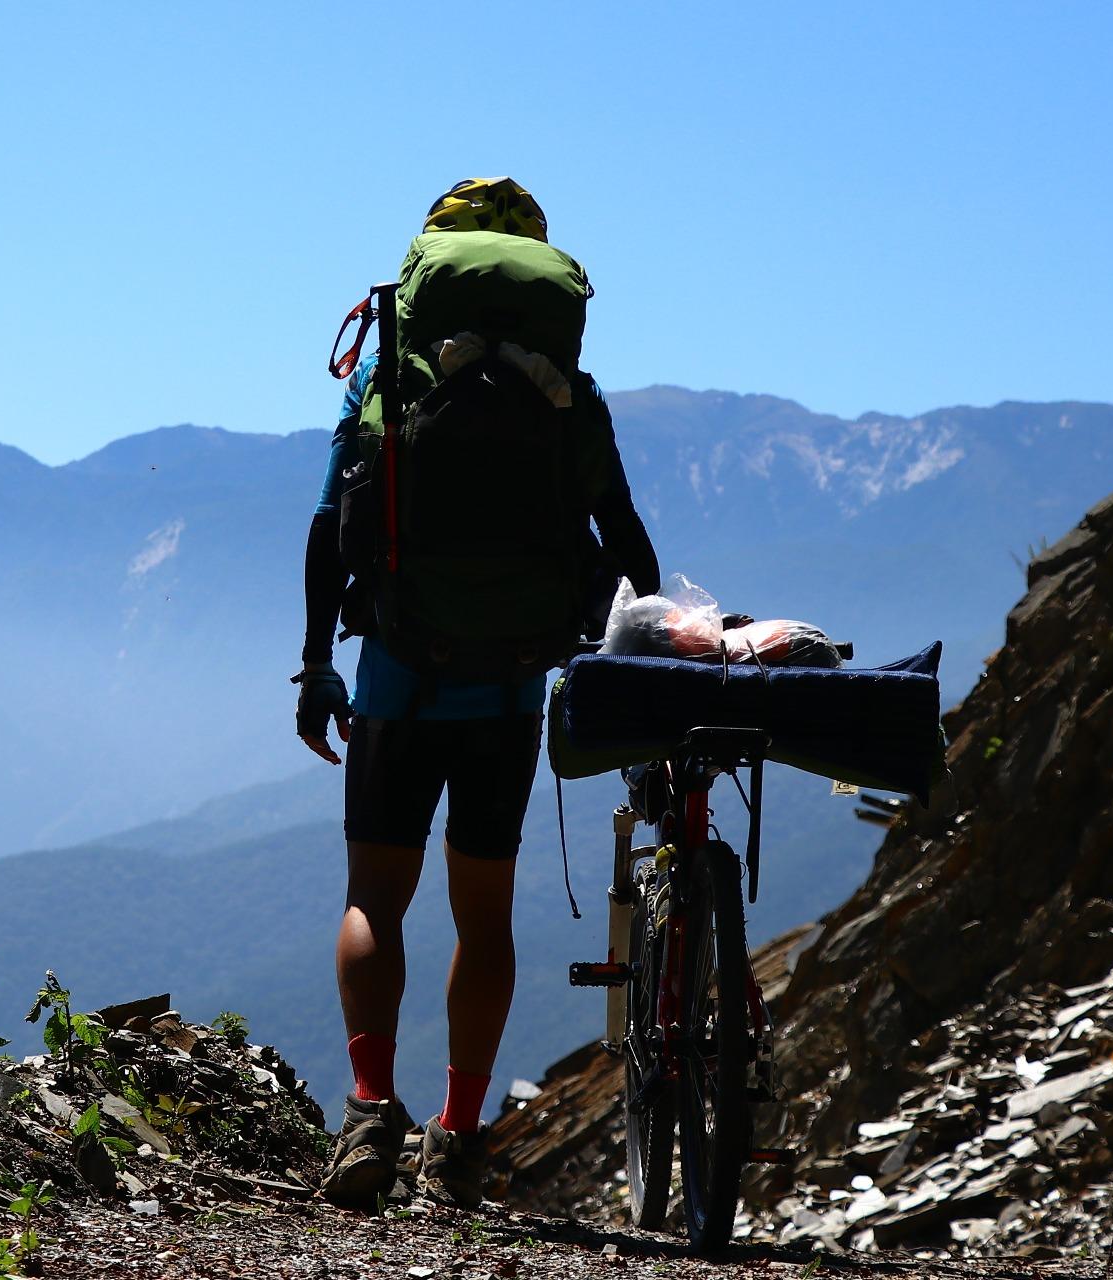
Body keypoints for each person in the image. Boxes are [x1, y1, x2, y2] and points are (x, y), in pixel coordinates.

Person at [294, 177, 660, 1211]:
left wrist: (318, 662)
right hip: (507, 687)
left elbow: (331, 524)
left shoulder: (387, 376)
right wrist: (652, 647)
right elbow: (623, 538)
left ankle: (370, 1110)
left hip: (398, 675)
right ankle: (455, 1136)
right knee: (482, 914)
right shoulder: (564, 396)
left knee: (374, 895)